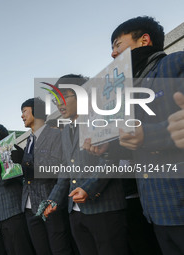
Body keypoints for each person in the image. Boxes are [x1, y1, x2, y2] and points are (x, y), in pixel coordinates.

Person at [84, 16, 184, 255]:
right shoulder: (124, 94)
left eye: (117, 44)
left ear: (144, 40)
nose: (112, 53)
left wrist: (150, 134)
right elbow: (135, 144)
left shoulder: (174, 64)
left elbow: (152, 134)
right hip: (154, 209)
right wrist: (110, 148)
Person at [42, 74, 129, 255]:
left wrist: (88, 188)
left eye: (64, 96)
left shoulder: (102, 118)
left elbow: (112, 160)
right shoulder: (66, 129)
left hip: (104, 208)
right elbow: (67, 167)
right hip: (76, 211)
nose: (59, 103)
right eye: (56, 99)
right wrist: (53, 199)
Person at [20, 98, 75, 255]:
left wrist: (27, 162)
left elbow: (57, 167)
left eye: (24, 111)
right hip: (30, 207)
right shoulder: (29, 141)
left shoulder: (55, 135)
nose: (22, 116)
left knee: (60, 249)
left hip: (49, 202)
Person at [0, 124, 35, 255]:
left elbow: (2, 180)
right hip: (2, 215)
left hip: (14, 213)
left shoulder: (10, 152)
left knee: (22, 250)